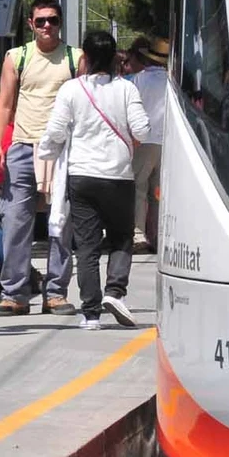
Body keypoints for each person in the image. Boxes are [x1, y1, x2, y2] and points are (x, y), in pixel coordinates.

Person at [37, 31, 149, 331]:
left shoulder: (71, 90)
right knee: (121, 237)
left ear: (84, 57)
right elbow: (143, 130)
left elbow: (56, 131)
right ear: (114, 58)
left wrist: (46, 151)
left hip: (81, 175)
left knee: (86, 246)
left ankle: (90, 313)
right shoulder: (126, 89)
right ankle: (114, 292)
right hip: (118, 176)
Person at [0, 0, 79, 317]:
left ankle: (55, 292)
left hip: (62, 149)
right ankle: (14, 293)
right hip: (23, 147)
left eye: (52, 20)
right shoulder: (17, 57)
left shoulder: (75, 58)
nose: (47, 26)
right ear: (31, 24)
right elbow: (4, 104)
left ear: (60, 22)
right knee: (15, 222)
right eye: (40, 21)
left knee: (61, 222)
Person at [123, 37, 170, 252]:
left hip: (142, 141)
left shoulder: (138, 81)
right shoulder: (173, 81)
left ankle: (137, 232)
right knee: (158, 191)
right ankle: (158, 235)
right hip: (167, 142)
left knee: (138, 189)